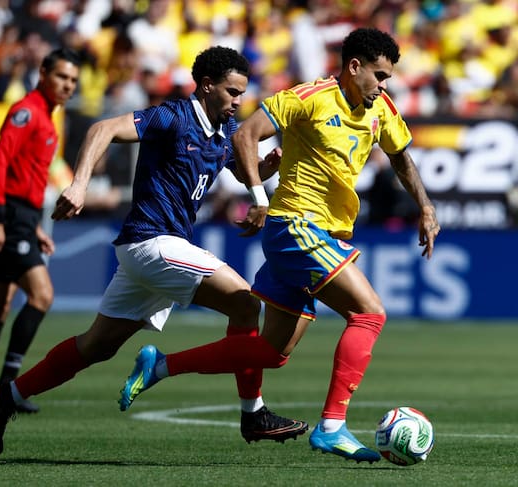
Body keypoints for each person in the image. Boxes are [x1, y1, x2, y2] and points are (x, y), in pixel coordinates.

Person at [118, 27, 441, 464]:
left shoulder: (380, 107)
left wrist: (425, 207)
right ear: (354, 67)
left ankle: (161, 365)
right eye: (379, 75)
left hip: (325, 233)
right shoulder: (309, 97)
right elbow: (245, 135)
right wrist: (259, 198)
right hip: (296, 227)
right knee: (369, 314)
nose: (385, 86)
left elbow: (401, 155)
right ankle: (332, 427)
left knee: (274, 352)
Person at [0, 46, 308, 455]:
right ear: (206, 86)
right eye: (231, 91)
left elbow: (241, 171)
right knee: (245, 305)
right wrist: (79, 184)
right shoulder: (172, 116)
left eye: (241, 92)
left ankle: (6, 395)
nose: (238, 101)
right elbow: (102, 129)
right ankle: (253, 413)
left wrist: (266, 169)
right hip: (152, 242)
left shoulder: (222, 133)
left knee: (96, 346)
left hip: (152, 253)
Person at [0, 48, 81, 415]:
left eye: (73, 80)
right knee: (42, 296)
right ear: (42, 73)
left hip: (20, 218)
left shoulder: (47, 118)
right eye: (61, 77)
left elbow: (29, 178)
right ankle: (8, 390)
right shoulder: (27, 111)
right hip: (7, 214)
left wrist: (35, 228)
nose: (67, 86)